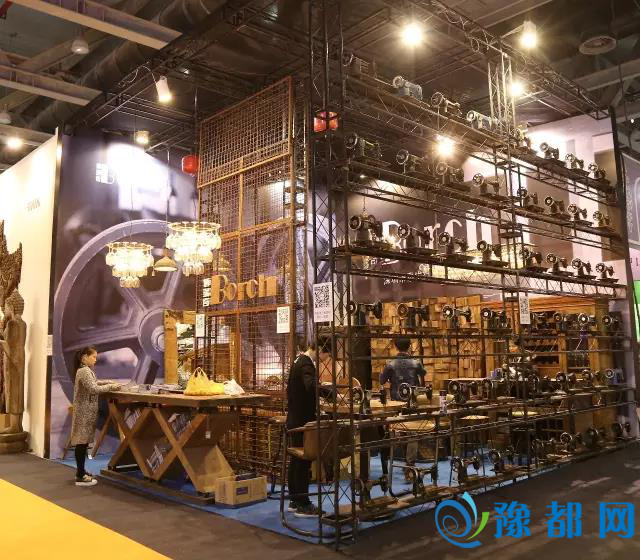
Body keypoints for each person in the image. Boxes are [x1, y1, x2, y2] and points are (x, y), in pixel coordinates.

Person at [286, 338, 331, 518]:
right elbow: (310, 385)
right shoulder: (306, 363)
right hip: (302, 421)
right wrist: (329, 392)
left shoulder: (298, 359)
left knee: (296, 460)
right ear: (319, 349)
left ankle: (294, 500)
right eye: (327, 354)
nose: (326, 359)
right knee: (303, 461)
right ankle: (303, 504)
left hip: (295, 418)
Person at [70, 347, 122, 487]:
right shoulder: (84, 371)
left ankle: (81, 471)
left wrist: (109, 382)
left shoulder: (85, 370)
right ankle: (80, 475)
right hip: (84, 413)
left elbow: (94, 382)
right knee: (82, 443)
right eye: (93, 357)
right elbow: (93, 389)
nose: (95, 360)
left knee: (83, 443)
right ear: (84, 357)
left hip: (86, 412)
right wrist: (111, 387)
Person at [379, 337, 426, 477]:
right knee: (412, 432)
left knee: (399, 430)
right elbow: (423, 373)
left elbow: (381, 380)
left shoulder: (390, 364)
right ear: (410, 346)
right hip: (412, 402)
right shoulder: (416, 362)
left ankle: (397, 462)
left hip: (396, 404)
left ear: (395, 347)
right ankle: (409, 465)